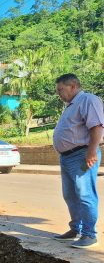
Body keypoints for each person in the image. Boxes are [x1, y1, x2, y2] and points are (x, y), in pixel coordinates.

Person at [52, 73, 104, 248]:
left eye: (61, 90)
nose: (59, 94)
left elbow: (97, 127)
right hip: (67, 157)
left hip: (81, 154)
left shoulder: (88, 100)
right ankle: (76, 229)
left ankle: (89, 235)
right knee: (70, 195)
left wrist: (91, 153)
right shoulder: (71, 105)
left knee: (85, 194)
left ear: (73, 86)